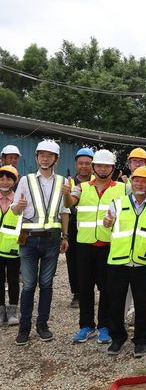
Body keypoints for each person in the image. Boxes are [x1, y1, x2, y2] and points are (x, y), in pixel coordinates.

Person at [63, 149, 126, 345]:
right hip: (84, 245)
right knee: (85, 287)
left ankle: (104, 327)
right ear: (93, 167)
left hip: (109, 245)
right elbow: (70, 203)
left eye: (106, 166)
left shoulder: (123, 188)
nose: (102, 168)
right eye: (99, 165)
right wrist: (65, 194)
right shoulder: (81, 187)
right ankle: (86, 326)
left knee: (106, 288)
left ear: (112, 168)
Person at [103, 166, 146, 357]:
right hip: (118, 262)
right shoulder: (118, 203)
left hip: (143, 264)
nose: (139, 183)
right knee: (115, 302)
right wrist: (106, 223)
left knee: (144, 304)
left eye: (144, 181)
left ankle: (141, 340)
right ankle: (117, 338)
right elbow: (108, 222)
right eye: (136, 180)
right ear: (131, 182)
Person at [11, 140, 69, 345]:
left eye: (49, 155)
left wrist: (65, 236)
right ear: (36, 157)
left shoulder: (63, 182)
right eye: (41, 155)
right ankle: (24, 328)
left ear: (56, 159)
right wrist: (18, 206)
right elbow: (14, 210)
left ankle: (42, 325)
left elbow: (64, 212)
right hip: (28, 240)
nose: (45, 158)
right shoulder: (25, 180)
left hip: (52, 241)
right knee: (28, 285)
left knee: (46, 284)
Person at [65, 147, 95, 308]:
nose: (84, 166)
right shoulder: (68, 182)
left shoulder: (97, 182)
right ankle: (77, 293)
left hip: (92, 228)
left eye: (88, 163)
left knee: (91, 261)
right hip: (72, 227)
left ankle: (90, 291)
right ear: (76, 164)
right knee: (73, 261)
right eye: (81, 163)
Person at [0, 165, 22, 326]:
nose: (5, 181)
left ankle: (13, 310)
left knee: (13, 280)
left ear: (14, 182)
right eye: (1, 178)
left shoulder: (19, 201)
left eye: (9, 179)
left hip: (14, 249)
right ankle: (1, 310)